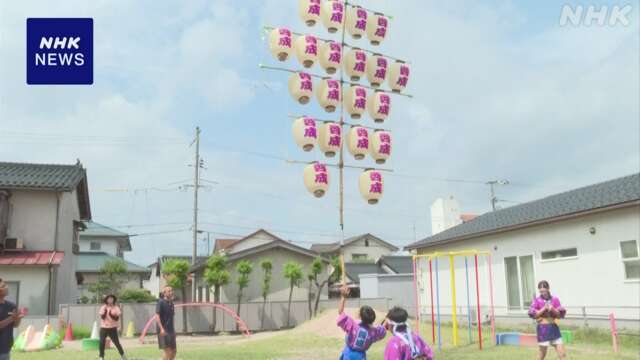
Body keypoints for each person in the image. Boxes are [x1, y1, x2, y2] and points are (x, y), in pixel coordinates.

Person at [337, 285, 387, 359]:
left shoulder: (353, 325)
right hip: (361, 356)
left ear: (360, 316)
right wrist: (387, 319)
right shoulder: (373, 332)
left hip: (348, 355)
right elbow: (382, 330)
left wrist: (343, 297)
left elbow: (341, 312)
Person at [528, 280, 567, 360]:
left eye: (544, 291)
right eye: (541, 291)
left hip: (554, 328)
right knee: (542, 355)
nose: (543, 293)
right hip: (543, 330)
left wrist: (552, 309)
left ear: (548, 289)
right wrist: (544, 308)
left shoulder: (555, 299)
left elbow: (559, 316)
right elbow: (534, 315)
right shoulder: (536, 300)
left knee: (562, 354)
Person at [0, 279, 24, 360]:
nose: (7, 287)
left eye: (6, 285)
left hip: (6, 348)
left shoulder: (11, 306)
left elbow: (15, 325)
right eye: (3, 286)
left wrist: (18, 318)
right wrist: (12, 318)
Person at [98, 294, 127, 360]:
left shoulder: (116, 307)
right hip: (104, 328)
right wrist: (105, 312)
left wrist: (111, 315)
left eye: (112, 298)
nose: (110, 300)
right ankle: (101, 357)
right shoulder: (103, 307)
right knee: (102, 343)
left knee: (117, 343)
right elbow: (102, 317)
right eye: (109, 298)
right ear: (106, 300)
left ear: (114, 300)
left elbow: (117, 318)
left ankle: (123, 356)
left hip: (112, 328)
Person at [155, 286, 177, 360]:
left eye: (172, 290)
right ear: (164, 293)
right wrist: (161, 329)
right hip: (163, 330)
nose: (171, 292)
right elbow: (157, 316)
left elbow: (172, 318)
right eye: (169, 291)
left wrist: (173, 330)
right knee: (168, 352)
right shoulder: (160, 302)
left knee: (174, 351)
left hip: (170, 330)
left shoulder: (171, 304)